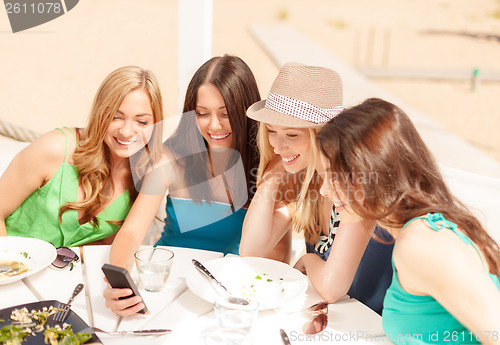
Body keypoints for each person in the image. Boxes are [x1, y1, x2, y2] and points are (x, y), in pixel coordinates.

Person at [105, 55, 290, 316]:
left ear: (245, 113)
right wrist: (120, 284)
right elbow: (132, 232)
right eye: (203, 114)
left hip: (231, 294)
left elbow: (277, 257)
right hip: (168, 286)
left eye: (225, 114)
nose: (213, 125)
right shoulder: (171, 159)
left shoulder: (269, 168)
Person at [317, 98, 500, 344]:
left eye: (334, 176)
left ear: (371, 174)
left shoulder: (423, 243)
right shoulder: (412, 233)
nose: (323, 190)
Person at [240, 62, 394, 314]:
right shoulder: (304, 177)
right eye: (271, 131)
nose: (278, 146)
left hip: (375, 324)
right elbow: (250, 251)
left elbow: (333, 288)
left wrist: (307, 260)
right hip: (331, 319)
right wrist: (272, 176)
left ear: (323, 134)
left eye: (292, 135)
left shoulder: (355, 184)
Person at [0, 66, 164, 247]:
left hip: (66, 273)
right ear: (100, 114)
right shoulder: (55, 148)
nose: (126, 131)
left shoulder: (145, 176)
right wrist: (10, 268)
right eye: (115, 117)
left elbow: (104, 246)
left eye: (142, 121)